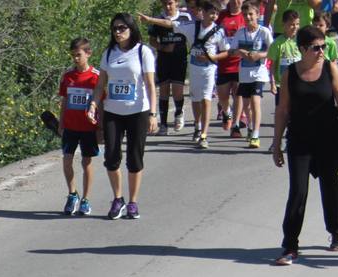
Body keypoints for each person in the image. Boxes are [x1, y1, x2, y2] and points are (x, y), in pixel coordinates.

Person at [272, 25, 338, 264]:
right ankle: (290, 246)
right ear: (301, 49)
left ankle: (336, 230)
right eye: (315, 47)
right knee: (298, 190)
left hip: (329, 138)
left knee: (330, 186)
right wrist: (276, 144)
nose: (321, 51)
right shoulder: (290, 73)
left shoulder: (330, 69)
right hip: (299, 139)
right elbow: (282, 110)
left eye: (324, 46)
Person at [89, 13, 159, 219]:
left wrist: (153, 114)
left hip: (138, 111)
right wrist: (94, 103)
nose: (118, 32)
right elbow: (101, 84)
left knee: (134, 159)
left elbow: (150, 85)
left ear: (131, 29)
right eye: (114, 28)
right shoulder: (109, 53)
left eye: (122, 28)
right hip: (113, 111)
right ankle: (117, 199)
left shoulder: (143, 52)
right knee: (111, 157)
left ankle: (133, 202)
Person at [143, 2, 231, 148]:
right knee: (196, 99)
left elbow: (226, 51)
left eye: (216, 13)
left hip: (209, 69)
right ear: (203, 12)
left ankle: (204, 134)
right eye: (211, 13)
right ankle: (197, 126)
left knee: (206, 98)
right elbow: (169, 23)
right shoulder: (192, 26)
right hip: (195, 68)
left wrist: (211, 57)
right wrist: (150, 20)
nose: (214, 16)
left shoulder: (219, 31)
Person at [59, 37, 102, 215]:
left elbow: (102, 103)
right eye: (73, 55)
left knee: (87, 162)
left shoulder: (96, 77)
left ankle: (85, 199)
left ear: (88, 54)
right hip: (70, 126)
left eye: (79, 55)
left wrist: (101, 128)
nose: (76, 59)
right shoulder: (68, 76)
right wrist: (61, 123)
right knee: (67, 159)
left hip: (88, 128)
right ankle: (72, 194)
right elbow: (64, 101)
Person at [230, 2, 276, 146]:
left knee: (255, 102)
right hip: (244, 75)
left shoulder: (264, 32)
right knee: (247, 105)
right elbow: (231, 50)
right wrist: (241, 52)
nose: (248, 17)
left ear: (257, 15)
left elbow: (273, 51)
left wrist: (259, 55)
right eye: (245, 15)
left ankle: (256, 135)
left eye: (251, 14)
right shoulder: (240, 32)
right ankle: (250, 127)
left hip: (259, 74)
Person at [152, 0, 194, 133]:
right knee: (163, 90)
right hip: (163, 59)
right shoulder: (157, 18)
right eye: (164, 4)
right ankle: (163, 124)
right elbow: (152, 40)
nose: (168, 6)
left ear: (176, 3)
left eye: (170, 3)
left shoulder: (185, 17)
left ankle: (178, 113)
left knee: (177, 91)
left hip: (179, 59)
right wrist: (163, 47)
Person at [218, 0, 249, 128]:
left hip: (239, 62)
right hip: (224, 60)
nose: (236, 1)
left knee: (238, 94)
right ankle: (227, 112)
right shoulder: (221, 15)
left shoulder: (246, 16)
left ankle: (236, 124)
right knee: (223, 97)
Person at [270, 9, 306, 104]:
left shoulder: (301, 41)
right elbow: (272, 65)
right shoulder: (277, 43)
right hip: (282, 85)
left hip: (299, 83)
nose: (295, 27)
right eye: (291, 24)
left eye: (297, 24)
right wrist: (272, 83)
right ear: (283, 24)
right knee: (282, 111)